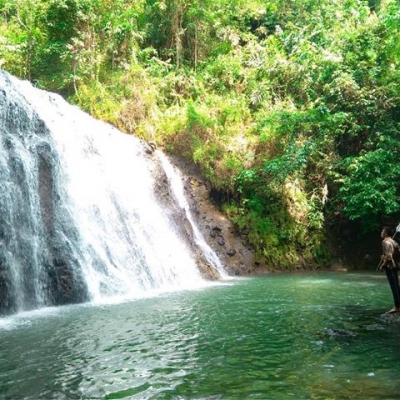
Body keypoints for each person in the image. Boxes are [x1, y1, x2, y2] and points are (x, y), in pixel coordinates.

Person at [378, 226, 400, 313]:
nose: (381, 232)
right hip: (395, 266)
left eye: (383, 231)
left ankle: (397, 306)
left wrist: (383, 265)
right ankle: (398, 305)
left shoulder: (385, 242)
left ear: (386, 233)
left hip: (390, 266)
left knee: (393, 287)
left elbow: (389, 256)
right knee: (397, 286)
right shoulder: (393, 241)